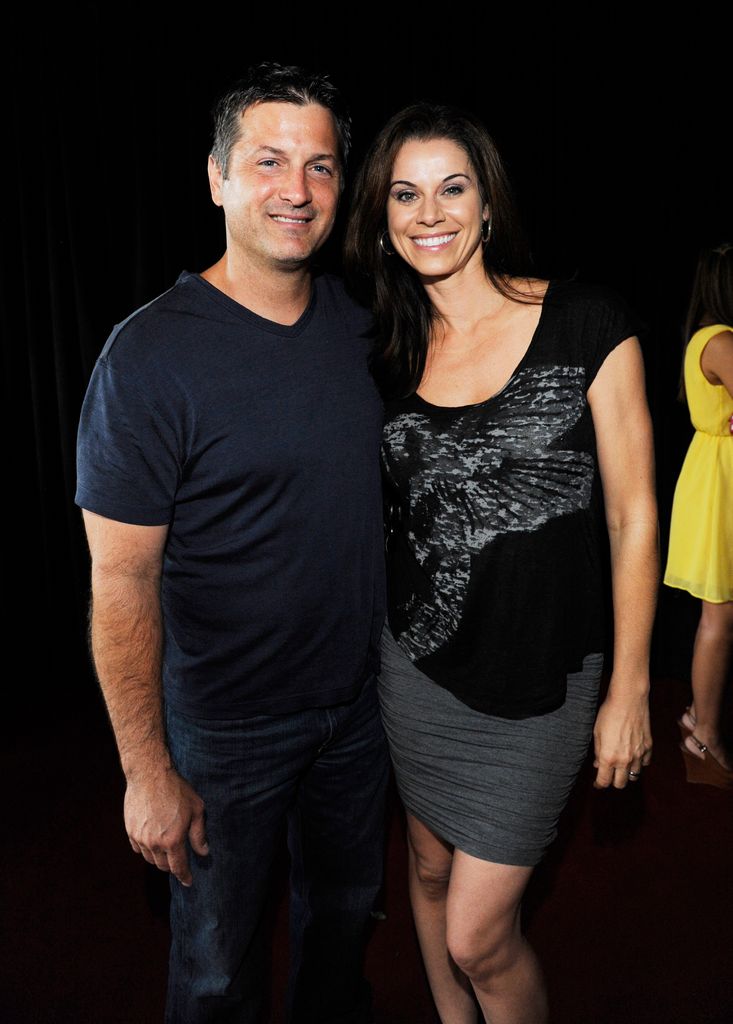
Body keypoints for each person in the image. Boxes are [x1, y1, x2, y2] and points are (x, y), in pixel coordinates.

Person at [76, 63, 389, 1024]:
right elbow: (122, 583)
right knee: (215, 975)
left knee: (343, 929)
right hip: (224, 730)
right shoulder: (150, 356)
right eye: (267, 161)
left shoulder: (363, 328)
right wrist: (146, 773)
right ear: (216, 178)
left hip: (359, 716)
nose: (296, 190)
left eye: (321, 166)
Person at [344, 103, 658, 1023]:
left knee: (479, 934)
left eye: (451, 188)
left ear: (486, 206)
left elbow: (636, 515)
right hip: (415, 663)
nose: (428, 212)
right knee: (430, 867)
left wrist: (630, 685)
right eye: (404, 193)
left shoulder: (585, 320)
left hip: (542, 681)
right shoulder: (386, 354)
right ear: (383, 216)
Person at [664, 242, 733, 788]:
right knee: (720, 614)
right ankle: (702, 728)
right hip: (719, 482)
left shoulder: (705, 337)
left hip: (714, 472)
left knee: (721, 613)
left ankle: (701, 722)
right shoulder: (722, 340)